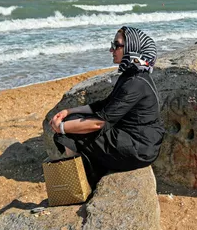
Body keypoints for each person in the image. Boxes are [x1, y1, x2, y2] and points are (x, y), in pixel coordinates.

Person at [50, 26, 165, 183]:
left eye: (116, 45)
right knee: (75, 121)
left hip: (140, 147)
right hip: (136, 138)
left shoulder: (135, 83)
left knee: (70, 132)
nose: (111, 50)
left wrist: (61, 128)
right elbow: (106, 104)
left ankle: (81, 182)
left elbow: (99, 123)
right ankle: (86, 176)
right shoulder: (132, 74)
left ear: (132, 47)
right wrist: (69, 112)